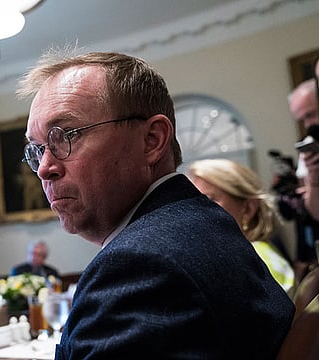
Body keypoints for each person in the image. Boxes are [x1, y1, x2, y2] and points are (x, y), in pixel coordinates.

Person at [16, 49, 294, 358]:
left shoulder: (138, 265)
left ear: (152, 140)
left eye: (66, 135)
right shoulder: (202, 223)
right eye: (39, 149)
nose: (44, 168)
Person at [188, 158, 295, 295]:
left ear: (248, 208)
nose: (194, 211)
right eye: (191, 203)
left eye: (208, 200)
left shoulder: (253, 260)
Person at [277, 78, 319, 263]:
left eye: (311, 114)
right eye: (302, 120)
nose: (309, 125)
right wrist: (315, 180)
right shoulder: (310, 150)